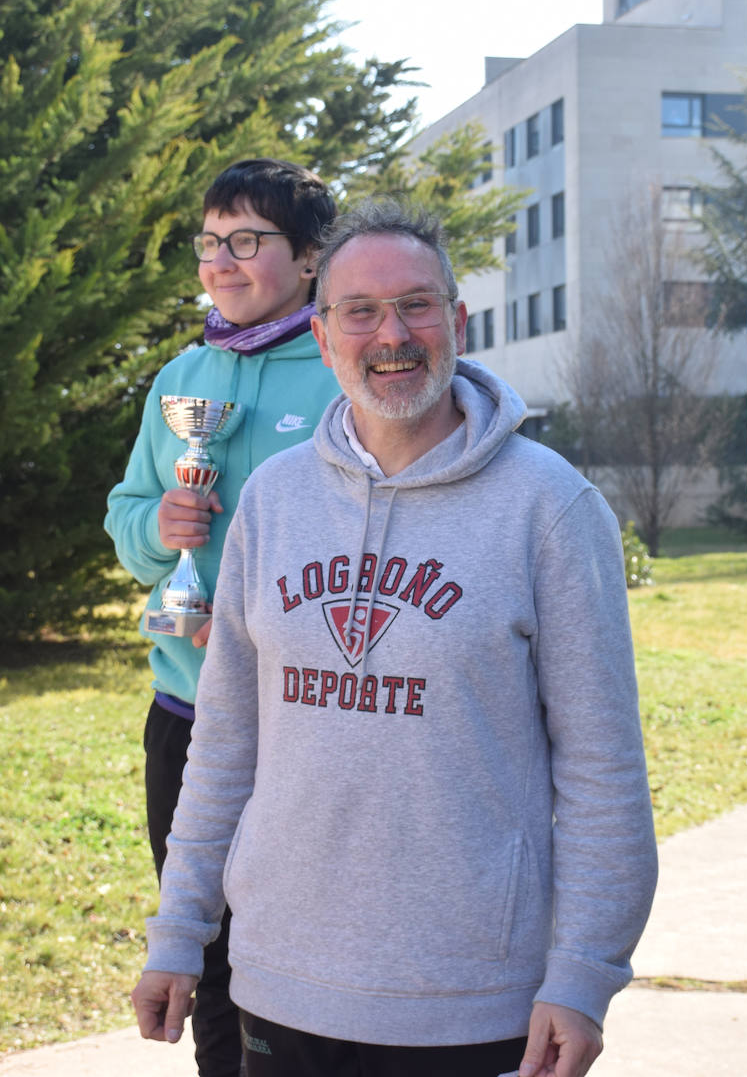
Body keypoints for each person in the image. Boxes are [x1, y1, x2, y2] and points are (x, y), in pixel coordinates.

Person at [130, 200, 658, 1077]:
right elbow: (225, 744)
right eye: (360, 311)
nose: (392, 334)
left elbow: (603, 769)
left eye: (416, 304)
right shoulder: (272, 500)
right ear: (325, 331)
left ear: (457, 320)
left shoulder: (549, 508)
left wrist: (582, 973)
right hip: (279, 983)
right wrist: (179, 932)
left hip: (472, 1000)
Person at [105, 157, 340, 1077]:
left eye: (248, 240)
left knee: (299, 946)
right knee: (203, 950)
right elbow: (127, 513)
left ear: (311, 259)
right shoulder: (181, 376)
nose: (222, 261)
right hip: (187, 716)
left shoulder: (337, 367)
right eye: (211, 242)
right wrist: (160, 531)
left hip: (301, 722)